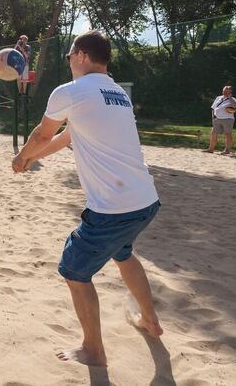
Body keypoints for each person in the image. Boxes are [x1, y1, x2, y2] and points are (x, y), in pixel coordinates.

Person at [12, 30, 162, 367]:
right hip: (145, 202)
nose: (68, 63)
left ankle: (93, 350)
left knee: (74, 270)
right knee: (124, 255)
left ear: (80, 55)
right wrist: (32, 159)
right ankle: (150, 320)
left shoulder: (71, 91)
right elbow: (66, 138)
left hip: (114, 209)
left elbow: (41, 133)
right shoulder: (117, 93)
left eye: (68, 56)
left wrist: (22, 154)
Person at [203, 85, 236, 155]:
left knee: (228, 134)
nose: (225, 92)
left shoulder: (233, 99)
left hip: (228, 119)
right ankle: (211, 149)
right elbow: (213, 108)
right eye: (224, 90)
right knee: (213, 133)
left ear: (230, 91)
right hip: (217, 118)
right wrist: (213, 118)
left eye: (227, 90)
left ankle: (227, 150)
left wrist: (230, 98)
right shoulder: (218, 98)